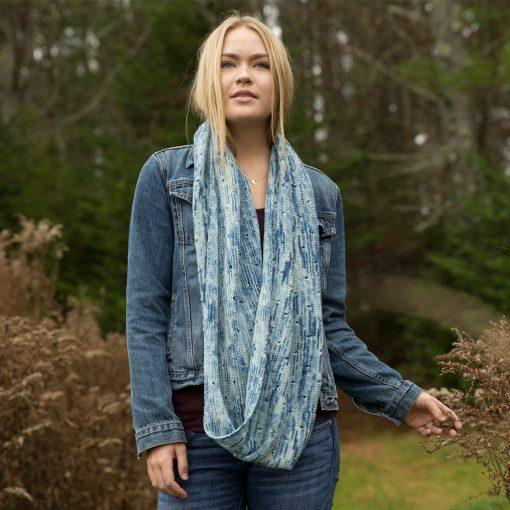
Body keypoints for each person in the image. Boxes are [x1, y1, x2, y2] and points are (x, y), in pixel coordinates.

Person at [125, 11, 462, 510]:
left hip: (301, 434)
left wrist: (399, 396)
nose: (243, 75)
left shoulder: (319, 194)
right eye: (228, 64)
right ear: (208, 80)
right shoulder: (168, 177)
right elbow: (146, 313)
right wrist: (156, 429)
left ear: (279, 82)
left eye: (259, 64)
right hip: (197, 436)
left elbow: (327, 327)